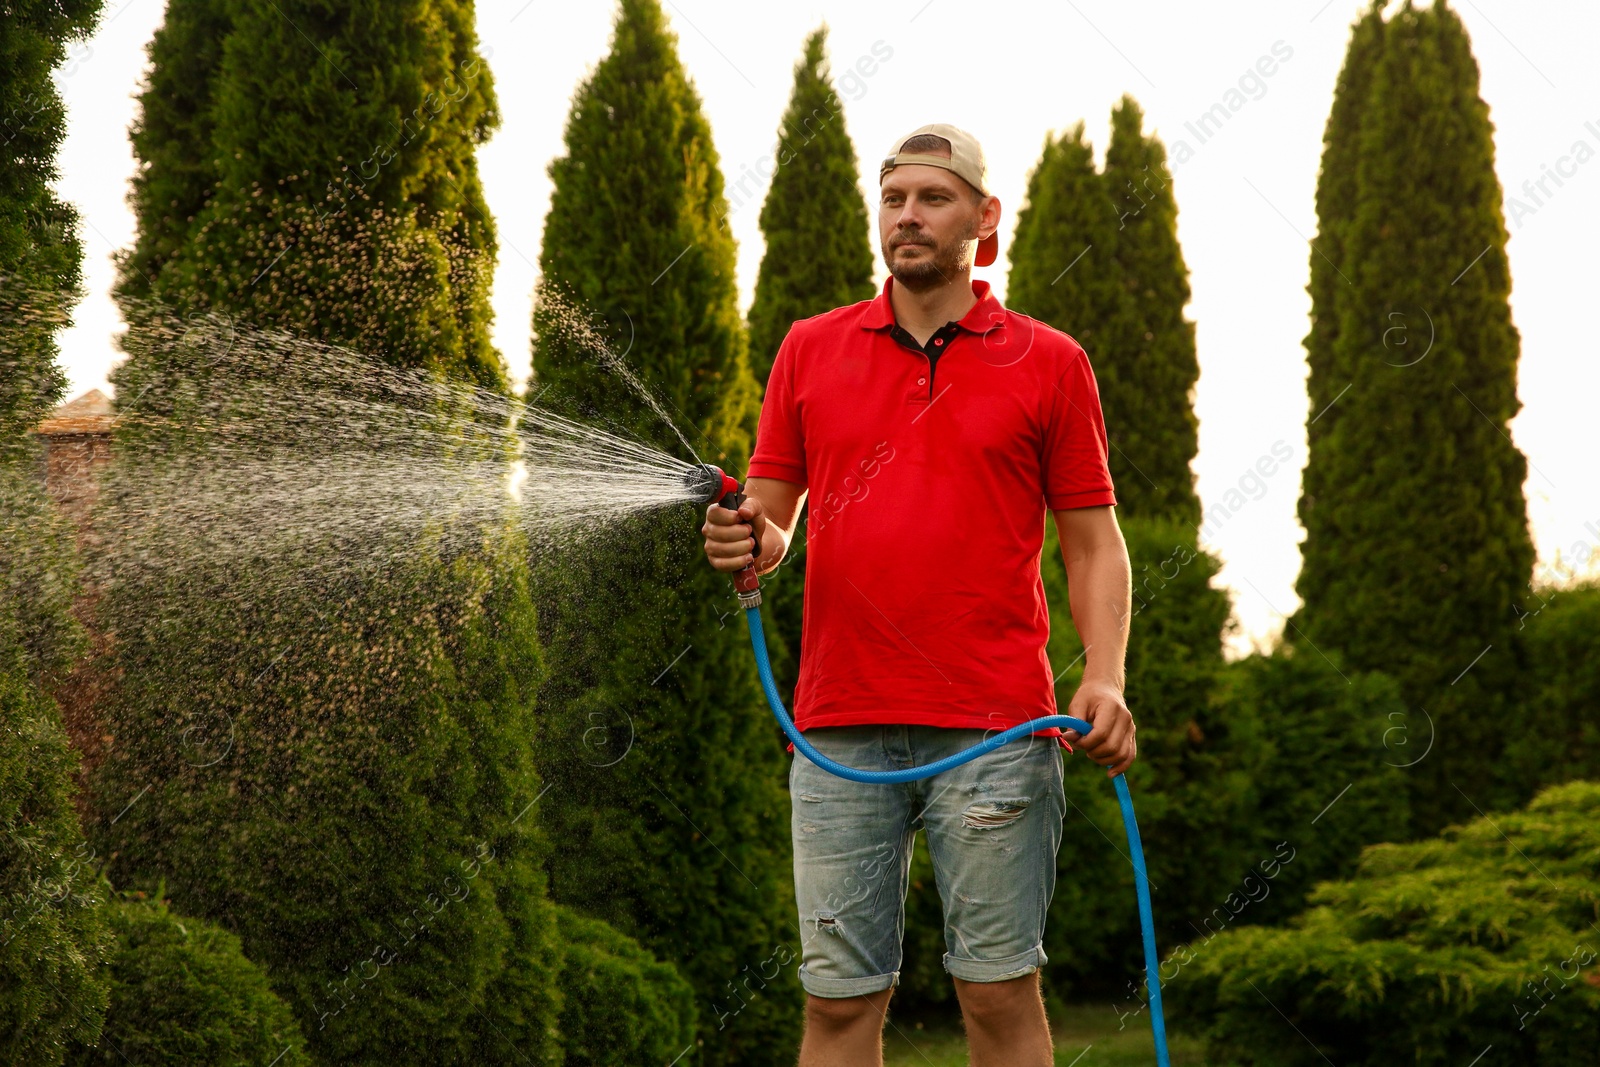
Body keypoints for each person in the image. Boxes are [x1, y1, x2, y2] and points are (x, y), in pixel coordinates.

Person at [702, 123, 1136, 1067]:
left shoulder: (1050, 361)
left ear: (985, 220)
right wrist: (745, 536)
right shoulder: (811, 349)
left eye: (932, 198)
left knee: (996, 994)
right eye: (894, 198)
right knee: (838, 1006)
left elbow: (1094, 542)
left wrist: (1103, 677)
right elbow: (772, 521)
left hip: (997, 728)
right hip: (838, 726)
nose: (908, 216)